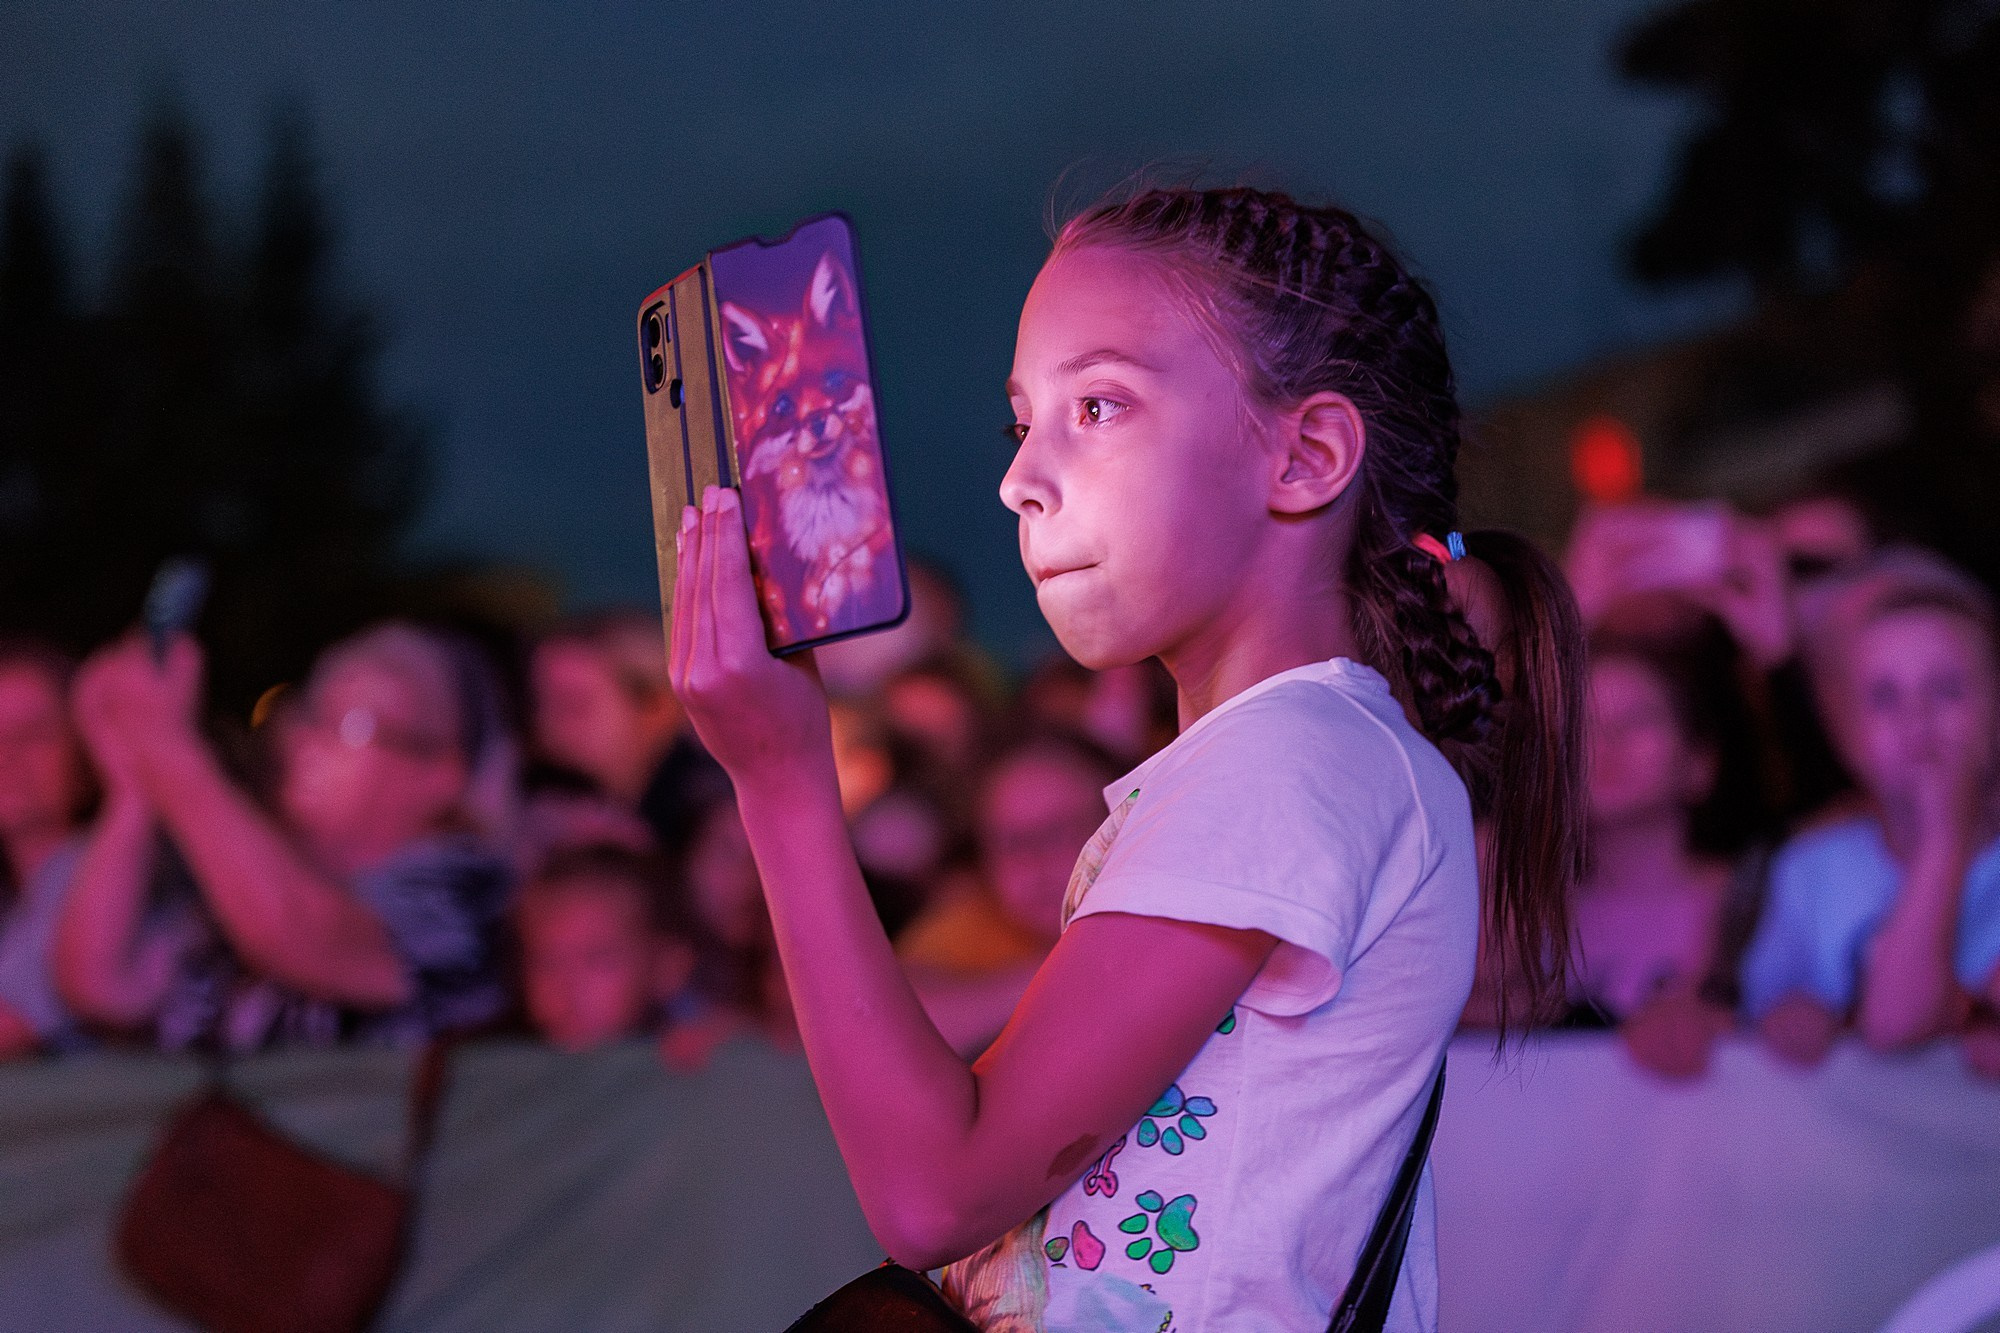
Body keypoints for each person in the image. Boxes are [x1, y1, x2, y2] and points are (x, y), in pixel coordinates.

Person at [668, 185, 1584, 1331]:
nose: (1018, 479)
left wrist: (781, 783)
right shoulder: (1294, 759)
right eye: (1021, 423)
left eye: (1096, 406)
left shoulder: (1289, 763)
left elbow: (934, 1192)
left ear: (1305, 455)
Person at [56, 622, 514, 1050]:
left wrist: (167, 745)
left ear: (441, 774)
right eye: (310, 712)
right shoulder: (261, 877)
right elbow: (102, 987)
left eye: (353, 723)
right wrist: (134, 786)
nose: (306, 741)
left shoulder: (469, 896)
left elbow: (310, 939)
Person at [1741, 573, 2000, 1069]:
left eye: (1947, 689)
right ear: (1846, 731)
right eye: (1884, 696)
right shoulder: (1809, 869)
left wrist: (1942, 834)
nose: (1916, 718)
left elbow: (1895, 1025)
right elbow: (1771, 1010)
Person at [1569, 602, 1773, 1077]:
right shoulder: (1521, 916)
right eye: (1583, 722)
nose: (1605, 742)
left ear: (1700, 762)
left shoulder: (1761, 897)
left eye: (1638, 719)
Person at [899, 729, 1124, 1056]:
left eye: (1058, 833)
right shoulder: (973, 922)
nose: (1033, 862)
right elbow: (895, 1029)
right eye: (1010, 842)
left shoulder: (1164, 909)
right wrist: (1074, 968)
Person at [0, 641, 94, 1057]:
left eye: (35, 734)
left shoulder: (96, 874)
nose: (7, 756)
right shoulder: (15, 901)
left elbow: (14, 1029)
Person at [515, 842, 695, 1053]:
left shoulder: (689, 1054)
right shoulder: (504, 1064)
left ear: (666, 968)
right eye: (547, 963)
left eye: (598, 959)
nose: (566, 984)